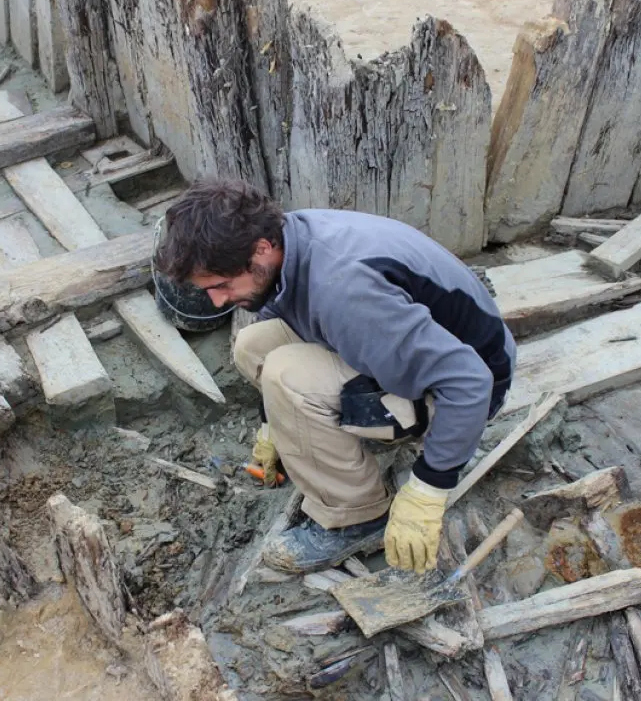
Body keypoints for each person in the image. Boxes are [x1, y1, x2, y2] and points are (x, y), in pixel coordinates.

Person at [154, 179, 516, 575]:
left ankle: (357, 518)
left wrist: (429, 490)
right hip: (404, 342)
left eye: (222, 286)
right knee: (253, 344)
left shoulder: (343, 291)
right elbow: (281, 317)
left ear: (261, 249)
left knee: (286, 376)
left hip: (465, 389)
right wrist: (271, 423)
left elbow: (470, 382)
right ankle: (322, 444)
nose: (218, 301)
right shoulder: (289, 239)